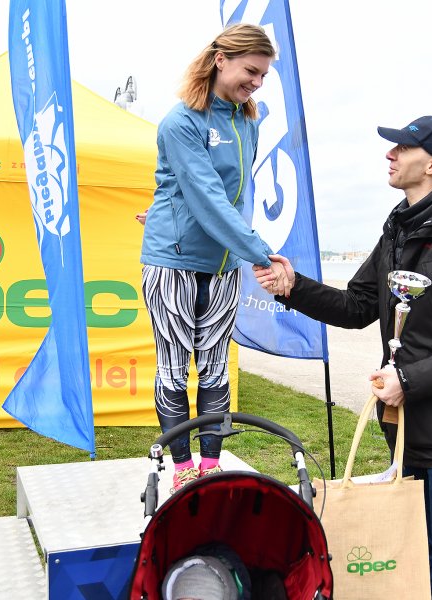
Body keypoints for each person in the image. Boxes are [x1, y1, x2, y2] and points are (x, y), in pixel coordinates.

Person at [255, 116, 432, 600]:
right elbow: (357, 306)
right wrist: (293, 288)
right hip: (404, 429)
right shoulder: (399, 229)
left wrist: (410, 380)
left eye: (403, 146)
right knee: (417, 561)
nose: (390, 154)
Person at [140, 23, 291, 494]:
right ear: (220, 58)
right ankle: (182, 469)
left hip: (223, 266)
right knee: (172, 365)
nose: (257, 83)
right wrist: (262, 254)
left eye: (264, 75)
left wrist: (245, 249)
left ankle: (210, 466)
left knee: (215, 367)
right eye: (251, 71)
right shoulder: (181, 121)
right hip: (174, 263)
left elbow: (235, 198)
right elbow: (205, 198)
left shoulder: (247, 120)